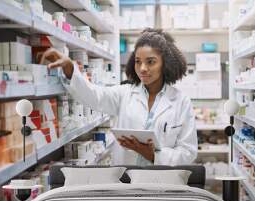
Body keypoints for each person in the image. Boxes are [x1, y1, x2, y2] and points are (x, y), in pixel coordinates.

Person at [41, 28, 197, 166]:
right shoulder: (125, 93)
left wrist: (152, 155)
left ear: (165, 64)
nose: (142, 68)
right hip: (126, 180)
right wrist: (70, 68)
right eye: (138, 62)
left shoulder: (181, 102)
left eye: (151, 62)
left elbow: (188, 152)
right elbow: (94, 96)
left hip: (163, 183)